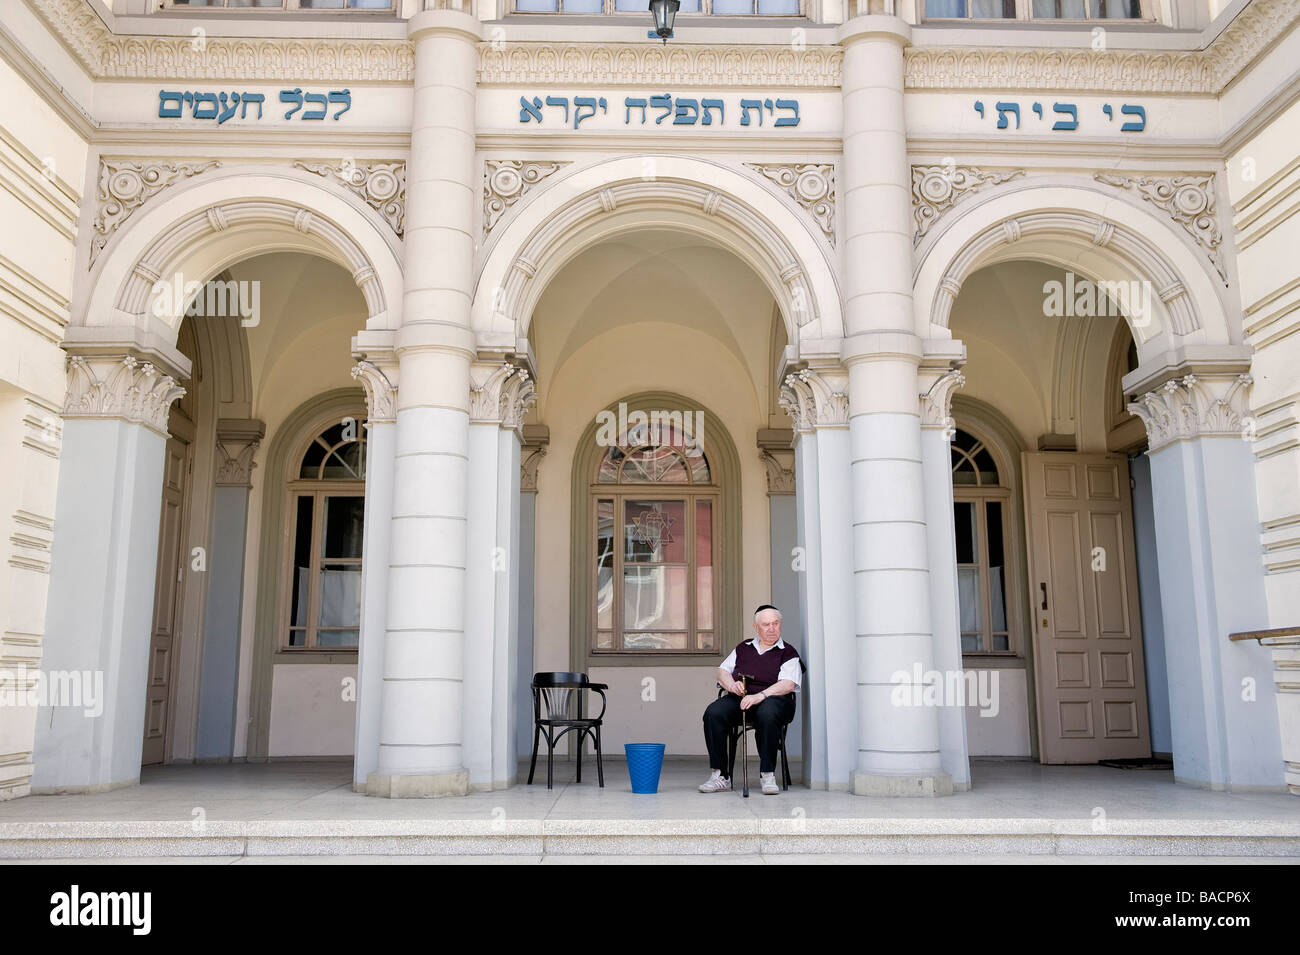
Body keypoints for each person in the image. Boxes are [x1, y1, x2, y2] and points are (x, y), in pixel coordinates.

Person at [699, 604, 801, 795]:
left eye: (775, 624)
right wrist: (731, 686)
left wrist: (760, 696)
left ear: (780, 625)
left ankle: (768, 775)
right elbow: (722, 671)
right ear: (756, 627)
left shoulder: (788, 652)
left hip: (775, 701)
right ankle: (721, 775)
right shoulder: (743, 648)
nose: (771, 628)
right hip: (741, 698)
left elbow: (788, 684)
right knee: (714, 713)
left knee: (767, 713)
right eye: (766, 625)